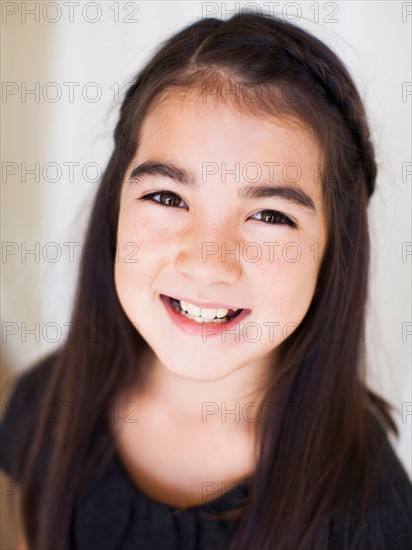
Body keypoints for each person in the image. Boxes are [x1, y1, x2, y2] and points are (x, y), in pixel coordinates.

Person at [1, 10, 411, 550]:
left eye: (270, 215)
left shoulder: (369, 514)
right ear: (115, 208)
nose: (207, 263)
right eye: (168, 198)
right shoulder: (44, 406)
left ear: (334, 249)